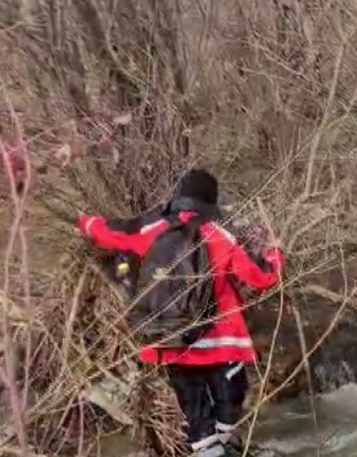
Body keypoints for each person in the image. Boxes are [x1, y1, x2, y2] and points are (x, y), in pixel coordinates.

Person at [78, 169, 284, 457]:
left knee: (193, 403)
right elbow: (261, 278)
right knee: (231, 395)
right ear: (211, 204)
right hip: (221, 341)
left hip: (170, 338)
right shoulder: (219, 236)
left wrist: (85, 221)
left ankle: (208, 450)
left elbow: (110, 233)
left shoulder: (152, 229)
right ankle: (225, 442)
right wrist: (275, 255)